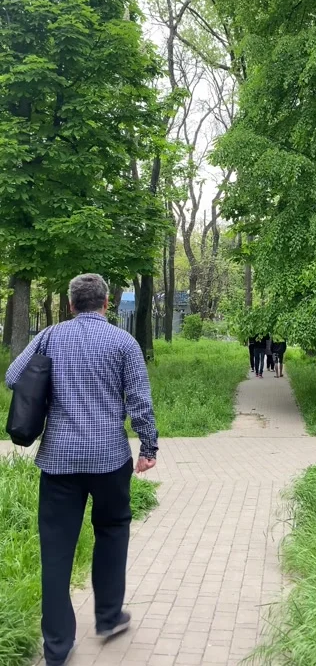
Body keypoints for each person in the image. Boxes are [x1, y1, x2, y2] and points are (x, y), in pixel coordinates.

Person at [6, 273, 158, 666]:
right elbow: (140, 398)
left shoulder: (50, 337)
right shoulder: (123, 342)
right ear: (106, 304)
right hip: (109, 459)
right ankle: (108, 618)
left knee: (56, 550)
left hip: (57, 461)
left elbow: (13, 377)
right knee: (111, 532)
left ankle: (57, 647)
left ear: (72, 304)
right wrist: (148, 447)